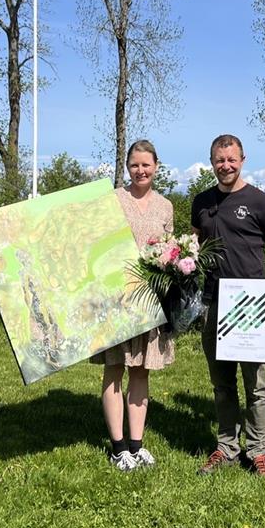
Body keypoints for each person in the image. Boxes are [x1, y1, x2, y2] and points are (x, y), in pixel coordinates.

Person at [191, 134, 265, 476]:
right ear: (211, 161)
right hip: (212, 303)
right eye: (220, 160)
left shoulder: (261, 202)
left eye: (232, 159)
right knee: (222, 384)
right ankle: (226, 446)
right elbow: (192, 250)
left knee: (256, 386)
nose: (226, 166)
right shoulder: (201, 202)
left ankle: (260, 449)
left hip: (252, 305)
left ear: (243, 159)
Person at [90, 139, 175, 471]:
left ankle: (137, 444)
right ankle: (118, 447)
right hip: (116, 299)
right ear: (128, 167)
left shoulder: (165, 206)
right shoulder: (113, 200)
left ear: (156, 166)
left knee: (141, 371)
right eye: (135, 165)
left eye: (146, 165)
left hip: (150, 301)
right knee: (115, 369)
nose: (141, 170)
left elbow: (170, 251)